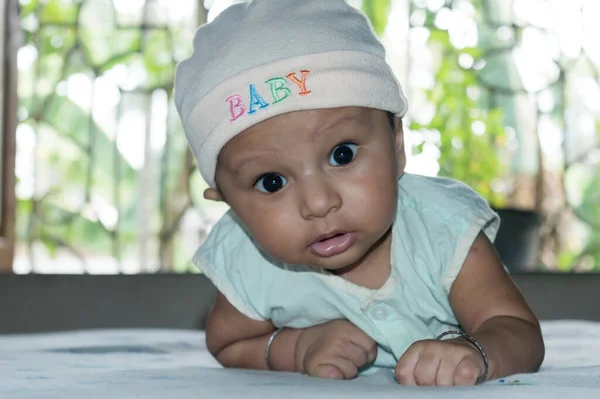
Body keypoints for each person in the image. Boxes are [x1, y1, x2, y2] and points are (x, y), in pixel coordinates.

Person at [173, 0, 544, 387]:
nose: (318, 203)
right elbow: (229, 344)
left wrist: (478, 352)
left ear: (396, 143)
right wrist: (297, 347)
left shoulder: (442, 228)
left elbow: (516, 330)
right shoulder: (248, 260)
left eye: (342, 154)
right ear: (229, 203)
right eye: (271, 182)